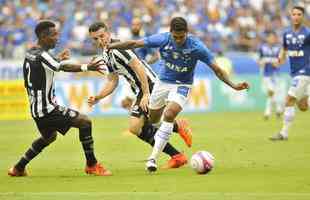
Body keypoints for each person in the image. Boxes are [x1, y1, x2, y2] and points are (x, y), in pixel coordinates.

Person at [108, 17, 249, 172]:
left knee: (169, 113)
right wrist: (112, 45)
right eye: (175, 37)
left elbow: (216, 69)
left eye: (182, 37)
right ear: (171, 33)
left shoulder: (197, 47)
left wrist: (234, 85)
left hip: (182, 85)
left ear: (187, 33)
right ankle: (178, 126)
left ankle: (152, 159)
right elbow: (134, 44)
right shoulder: (163, 39)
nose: (179, 40)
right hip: (162, 83)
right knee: (152, 121)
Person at [8, 20, 112, 177]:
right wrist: (87, 67)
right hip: (47, 108)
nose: (57, 38)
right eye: (54, 34)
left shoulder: (31, 53)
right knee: (85, 122)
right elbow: (62, 67)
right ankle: (92, 165)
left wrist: (57, 59)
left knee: (49, 137)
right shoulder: (42, 55)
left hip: (36, 109)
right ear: (43, 36)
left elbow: (45, 65)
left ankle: (18, 168)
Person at [87, 22, 192, 169]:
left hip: (149, 85)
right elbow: (112, 80)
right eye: (95, 39)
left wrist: (146, 93)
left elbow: (138, 66)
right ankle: (177, 147)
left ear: (108, 33)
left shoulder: (118, 48)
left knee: (136, 126)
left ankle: (177, 144)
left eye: (101, 36)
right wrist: (98, 97)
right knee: (142, 126)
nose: (99, 41)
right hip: (140, 89)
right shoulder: (106, 54)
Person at [270, 6, 310, 141]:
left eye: (299, 14)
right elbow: (284, 49)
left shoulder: (308, 33)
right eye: (294, 14)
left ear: (303, 16)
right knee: (303, 106)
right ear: (291, 16)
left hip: (305, 71)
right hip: (295, 72)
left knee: (289, 100)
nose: (296, 16)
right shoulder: (287, 34)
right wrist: (279, 59)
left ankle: (283, 133)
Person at [120, 17, 160, 110]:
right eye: (133, 24)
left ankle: (143, 120)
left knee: (136, 101)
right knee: (125, 103)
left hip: (140, 73)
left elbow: (156, 55)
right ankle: (140, 120)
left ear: (141, 26)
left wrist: (145, 63)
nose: (135, 27)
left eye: (137, 24)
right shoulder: (126, 38)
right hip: (128, 73)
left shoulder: (144, 39)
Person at [258, 31, 282, 120]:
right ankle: (268, 111)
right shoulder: (262, 48)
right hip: (266, 74)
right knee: (271, 91)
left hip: (276, 74)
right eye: (270, 37)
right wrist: (262, 63)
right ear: (267, 38)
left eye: (273, 38)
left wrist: (276, 63)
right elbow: (259, 61)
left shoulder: (278, 49)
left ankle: (276, 110)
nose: (271, 39)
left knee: (273, 92)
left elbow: (280, 62)